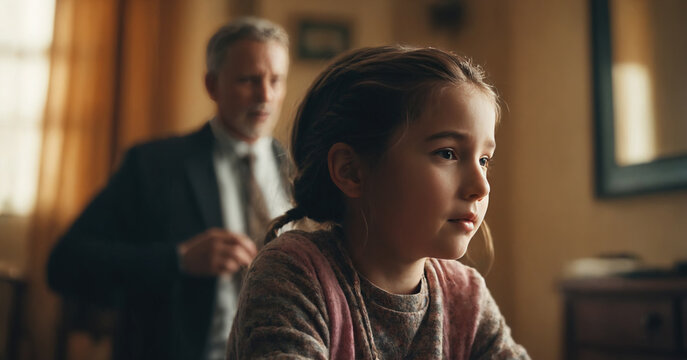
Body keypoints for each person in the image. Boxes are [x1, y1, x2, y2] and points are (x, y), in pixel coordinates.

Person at [227, 45, 530, 359]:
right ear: (352, 171)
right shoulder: (294, 273)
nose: (480, 186)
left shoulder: (466, 295)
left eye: (484, 160)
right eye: (447, 153)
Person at [46, 17, 291, 360]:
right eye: (248, 80)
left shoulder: (299, 168)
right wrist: (178, 260)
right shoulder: (153, 166)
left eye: (276, 80)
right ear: (212, 85)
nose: (266, 95)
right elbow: (65, 264)